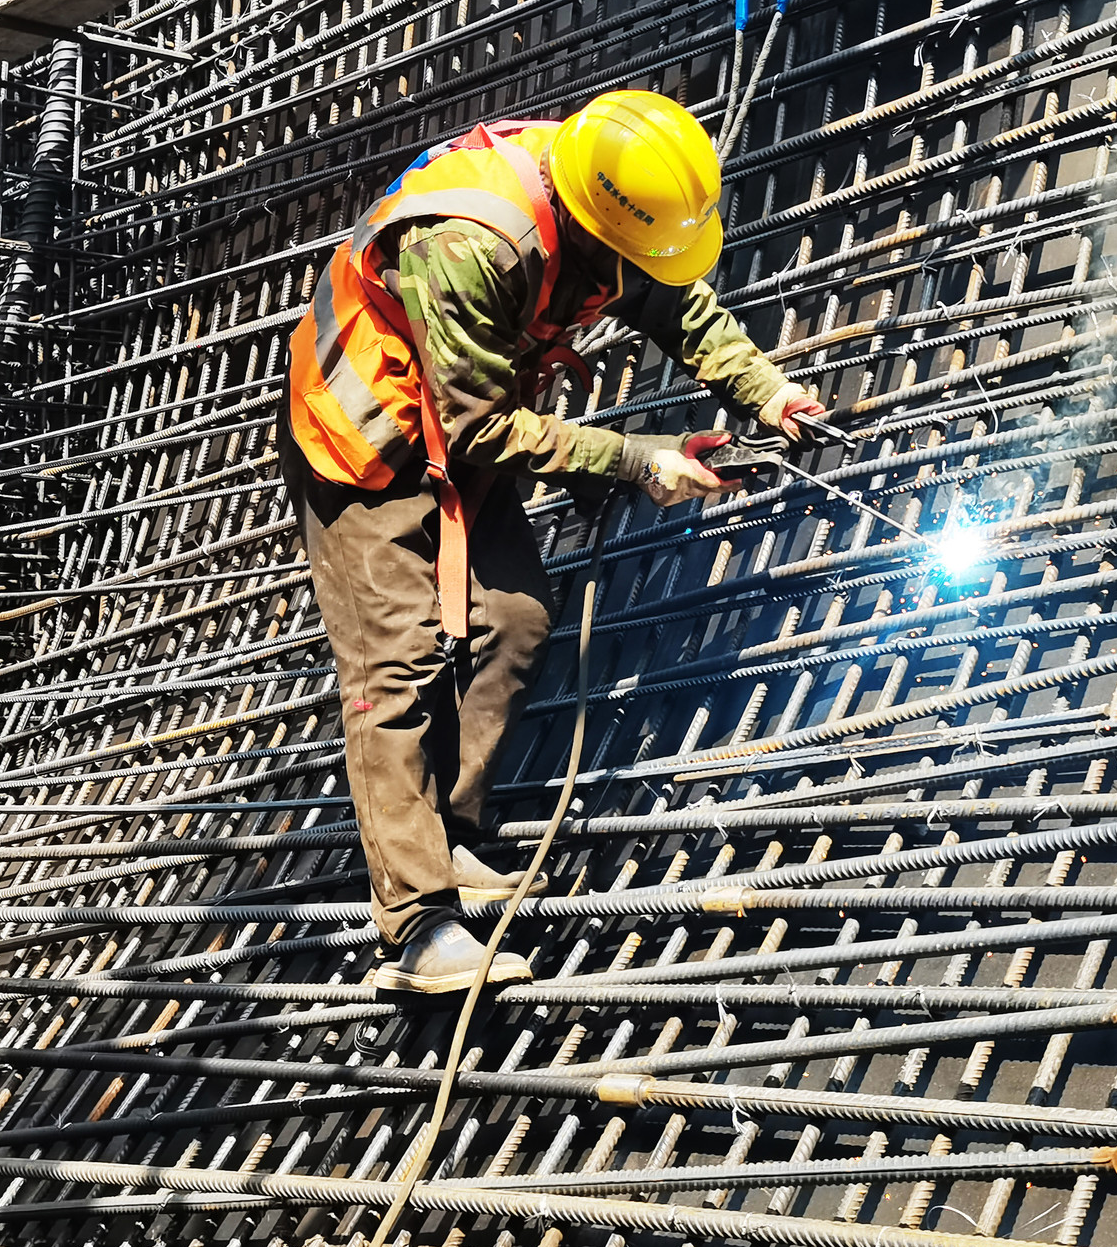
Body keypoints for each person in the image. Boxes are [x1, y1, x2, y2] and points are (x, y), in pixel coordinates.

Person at [280, 90, 823, 993]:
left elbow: (676, 302)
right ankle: (417, 928)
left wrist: (765, 392)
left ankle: (448, 840)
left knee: (517, 619)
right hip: (362, 439)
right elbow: (480, 430)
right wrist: (636, 459)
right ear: (591, 222)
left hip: (457, 420)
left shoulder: (607, 204)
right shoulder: (475, 244)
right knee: (396, 665)